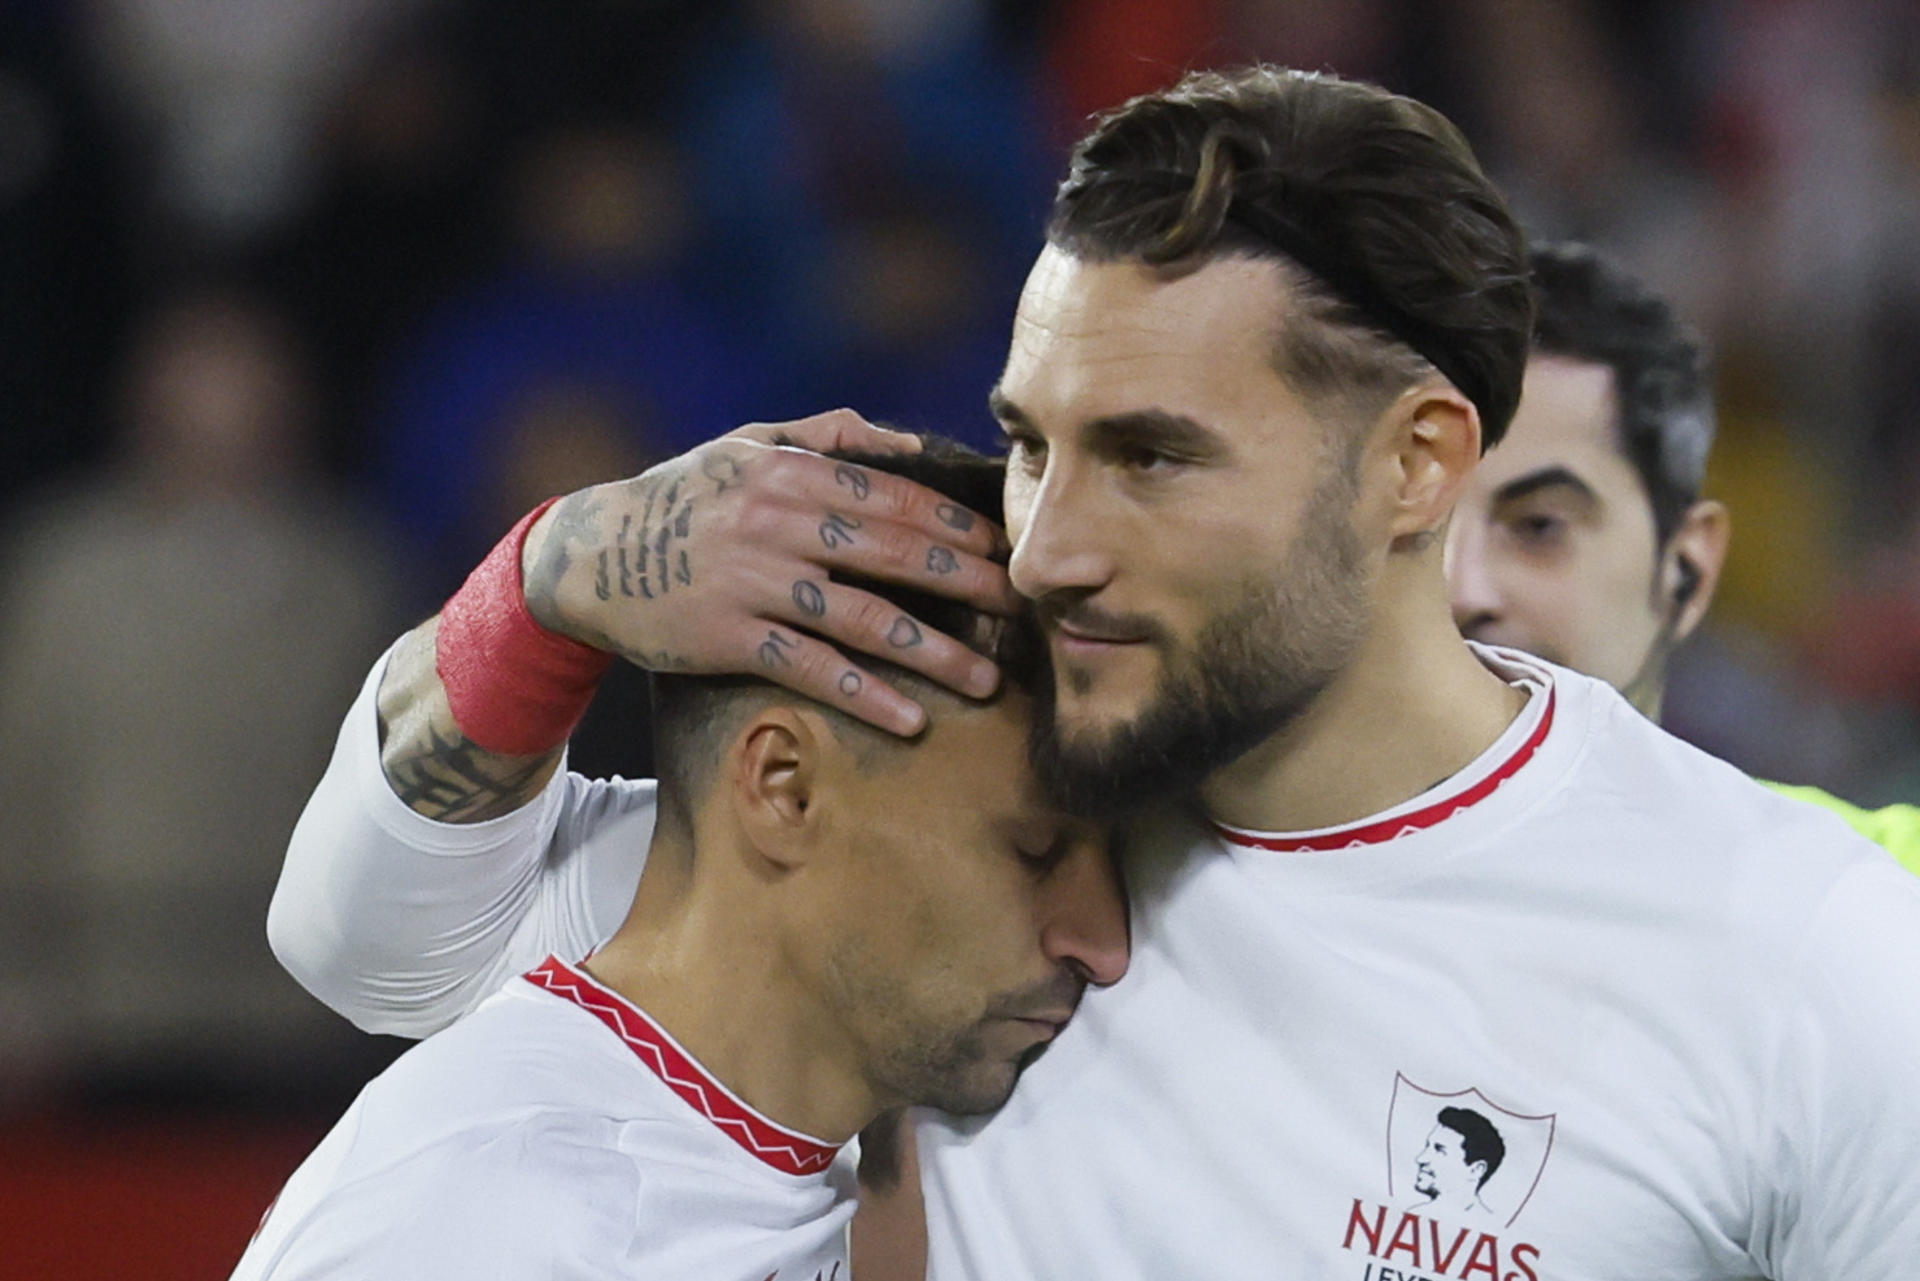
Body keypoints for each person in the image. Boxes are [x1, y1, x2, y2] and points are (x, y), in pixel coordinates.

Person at [270, 67, 1920, 1277]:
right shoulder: (967, 781)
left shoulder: (1804, 955)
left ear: (1418, 467)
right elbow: (373, 948)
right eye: (1031, 442)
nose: (1049, 540)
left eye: (1147, 456)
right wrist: (553, 578)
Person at [238, 442, 1126, 1279]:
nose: (1106, 941)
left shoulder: (794, 1025)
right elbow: (355, 933)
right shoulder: (492, 1228)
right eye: (1035, 849)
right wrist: (555, 573)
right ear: (784, 788)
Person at [1446, 241, 1920, 871]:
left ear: (1685, 570)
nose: (1463, 588)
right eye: (1423, 529)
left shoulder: (1877, 887)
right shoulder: (1278, 905)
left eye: (1538, 526)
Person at [1411, 1108, 1505, 1220]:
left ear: (1476, 1170)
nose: (1421, 1159)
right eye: (1427, 1146)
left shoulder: (1489, 1224)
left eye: (1439, 1150)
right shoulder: (1415, 1214)